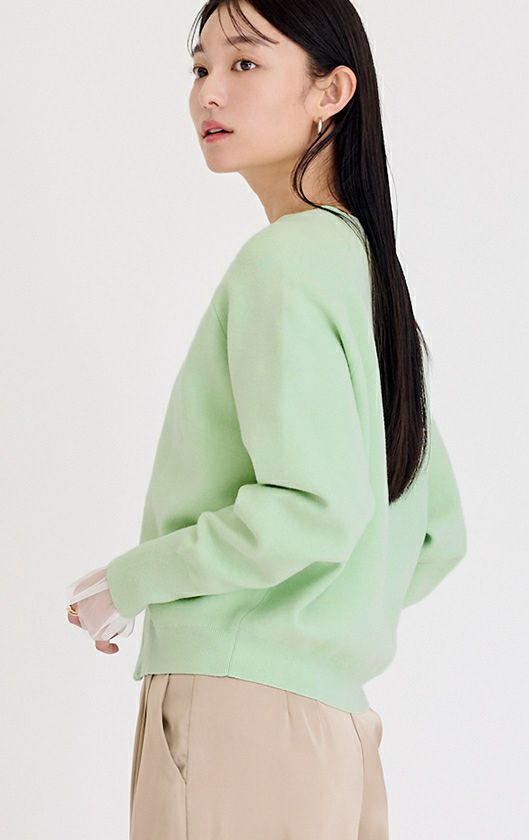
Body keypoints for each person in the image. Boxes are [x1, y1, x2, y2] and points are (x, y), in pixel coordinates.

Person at [65, 0, 467, 837]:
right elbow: (434, 537)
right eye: (200, 67)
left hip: (234, 718)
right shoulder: (374, 283)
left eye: (245, 63)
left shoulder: (283, 264)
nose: (209, 92)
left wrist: (132, 581)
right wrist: (322, 624)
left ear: (332, 91)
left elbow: (310, 510)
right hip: (335, 732)